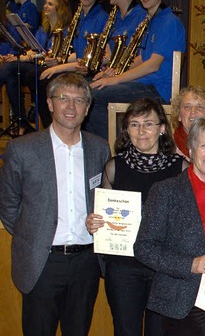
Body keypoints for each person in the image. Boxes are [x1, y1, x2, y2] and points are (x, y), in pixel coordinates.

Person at [0, 72, 111, 335]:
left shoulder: (100, 148)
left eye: (79, 100)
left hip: (86, 263)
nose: (71, 107)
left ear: (87, 108)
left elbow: (104, 198)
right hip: (42, 262)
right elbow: (8, 206)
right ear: (50, 104)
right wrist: (33, 235)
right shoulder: (22, 149)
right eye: (63, 98)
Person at [134, 116, 205, 335]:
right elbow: (144, 248)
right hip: (180, 301)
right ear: (191, 149)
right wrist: (192, 264)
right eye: (204, 146)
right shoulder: (165, 192)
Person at [85, 98, 188, 336]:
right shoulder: (114, 167)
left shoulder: (180, 169)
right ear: (127, 129)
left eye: (149, 123)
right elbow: (103, 216)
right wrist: (95, 223)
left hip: (163, 268)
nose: (141, 131)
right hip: (123, 268)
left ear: (162, 128)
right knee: (125, 330)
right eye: (134, 124)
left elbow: (186, 221)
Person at [86, 0, 187, 140]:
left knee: (95, 95)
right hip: (146, 84)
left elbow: (153, 65)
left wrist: (116, 80)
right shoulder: (152, 20)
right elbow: (141, 59)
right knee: (88, 87)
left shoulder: (169, 22)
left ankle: (106, 152)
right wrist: (114, 72)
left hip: (158, 90)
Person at [37, 0, 109, 127]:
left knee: (46, 80)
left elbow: (88, 58)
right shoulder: (80, 16)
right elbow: (78, 52)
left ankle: (60, 128)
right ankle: (52, 129)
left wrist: (59, 67)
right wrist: (58, 61)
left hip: (89, 71)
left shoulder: (102, 17)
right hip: (78, 67)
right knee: (38, 75)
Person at [0, 0, 71, 133]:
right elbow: (35, 49)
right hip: (37, 64)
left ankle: (24, 123)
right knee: (11, 77)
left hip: (49, 66)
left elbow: (50, 54)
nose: (45, 6)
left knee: (9, 68)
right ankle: (22, 123)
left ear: (60, 8)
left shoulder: (66, 30)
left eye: (50, 4)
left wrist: (25, 58)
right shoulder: (43, 29)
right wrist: (19, 57)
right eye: (46, 3)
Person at [171, 85, 205, 161]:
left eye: (200, 107)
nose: (193, 111)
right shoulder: (167, 148)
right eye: (187, 107)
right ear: (179, 115)